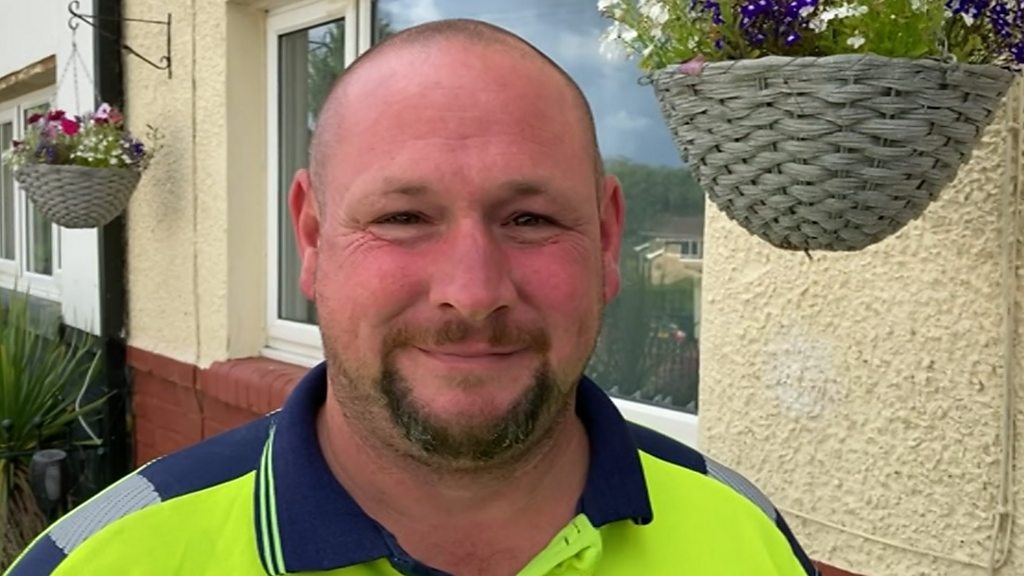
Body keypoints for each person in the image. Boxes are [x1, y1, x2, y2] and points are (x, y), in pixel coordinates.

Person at [7, 19, 818, 576]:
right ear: (313, 238)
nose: (473, 293)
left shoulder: (745, 537)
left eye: (531, 219)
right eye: (402, 218)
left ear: (607, 240)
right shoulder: (106, 559)